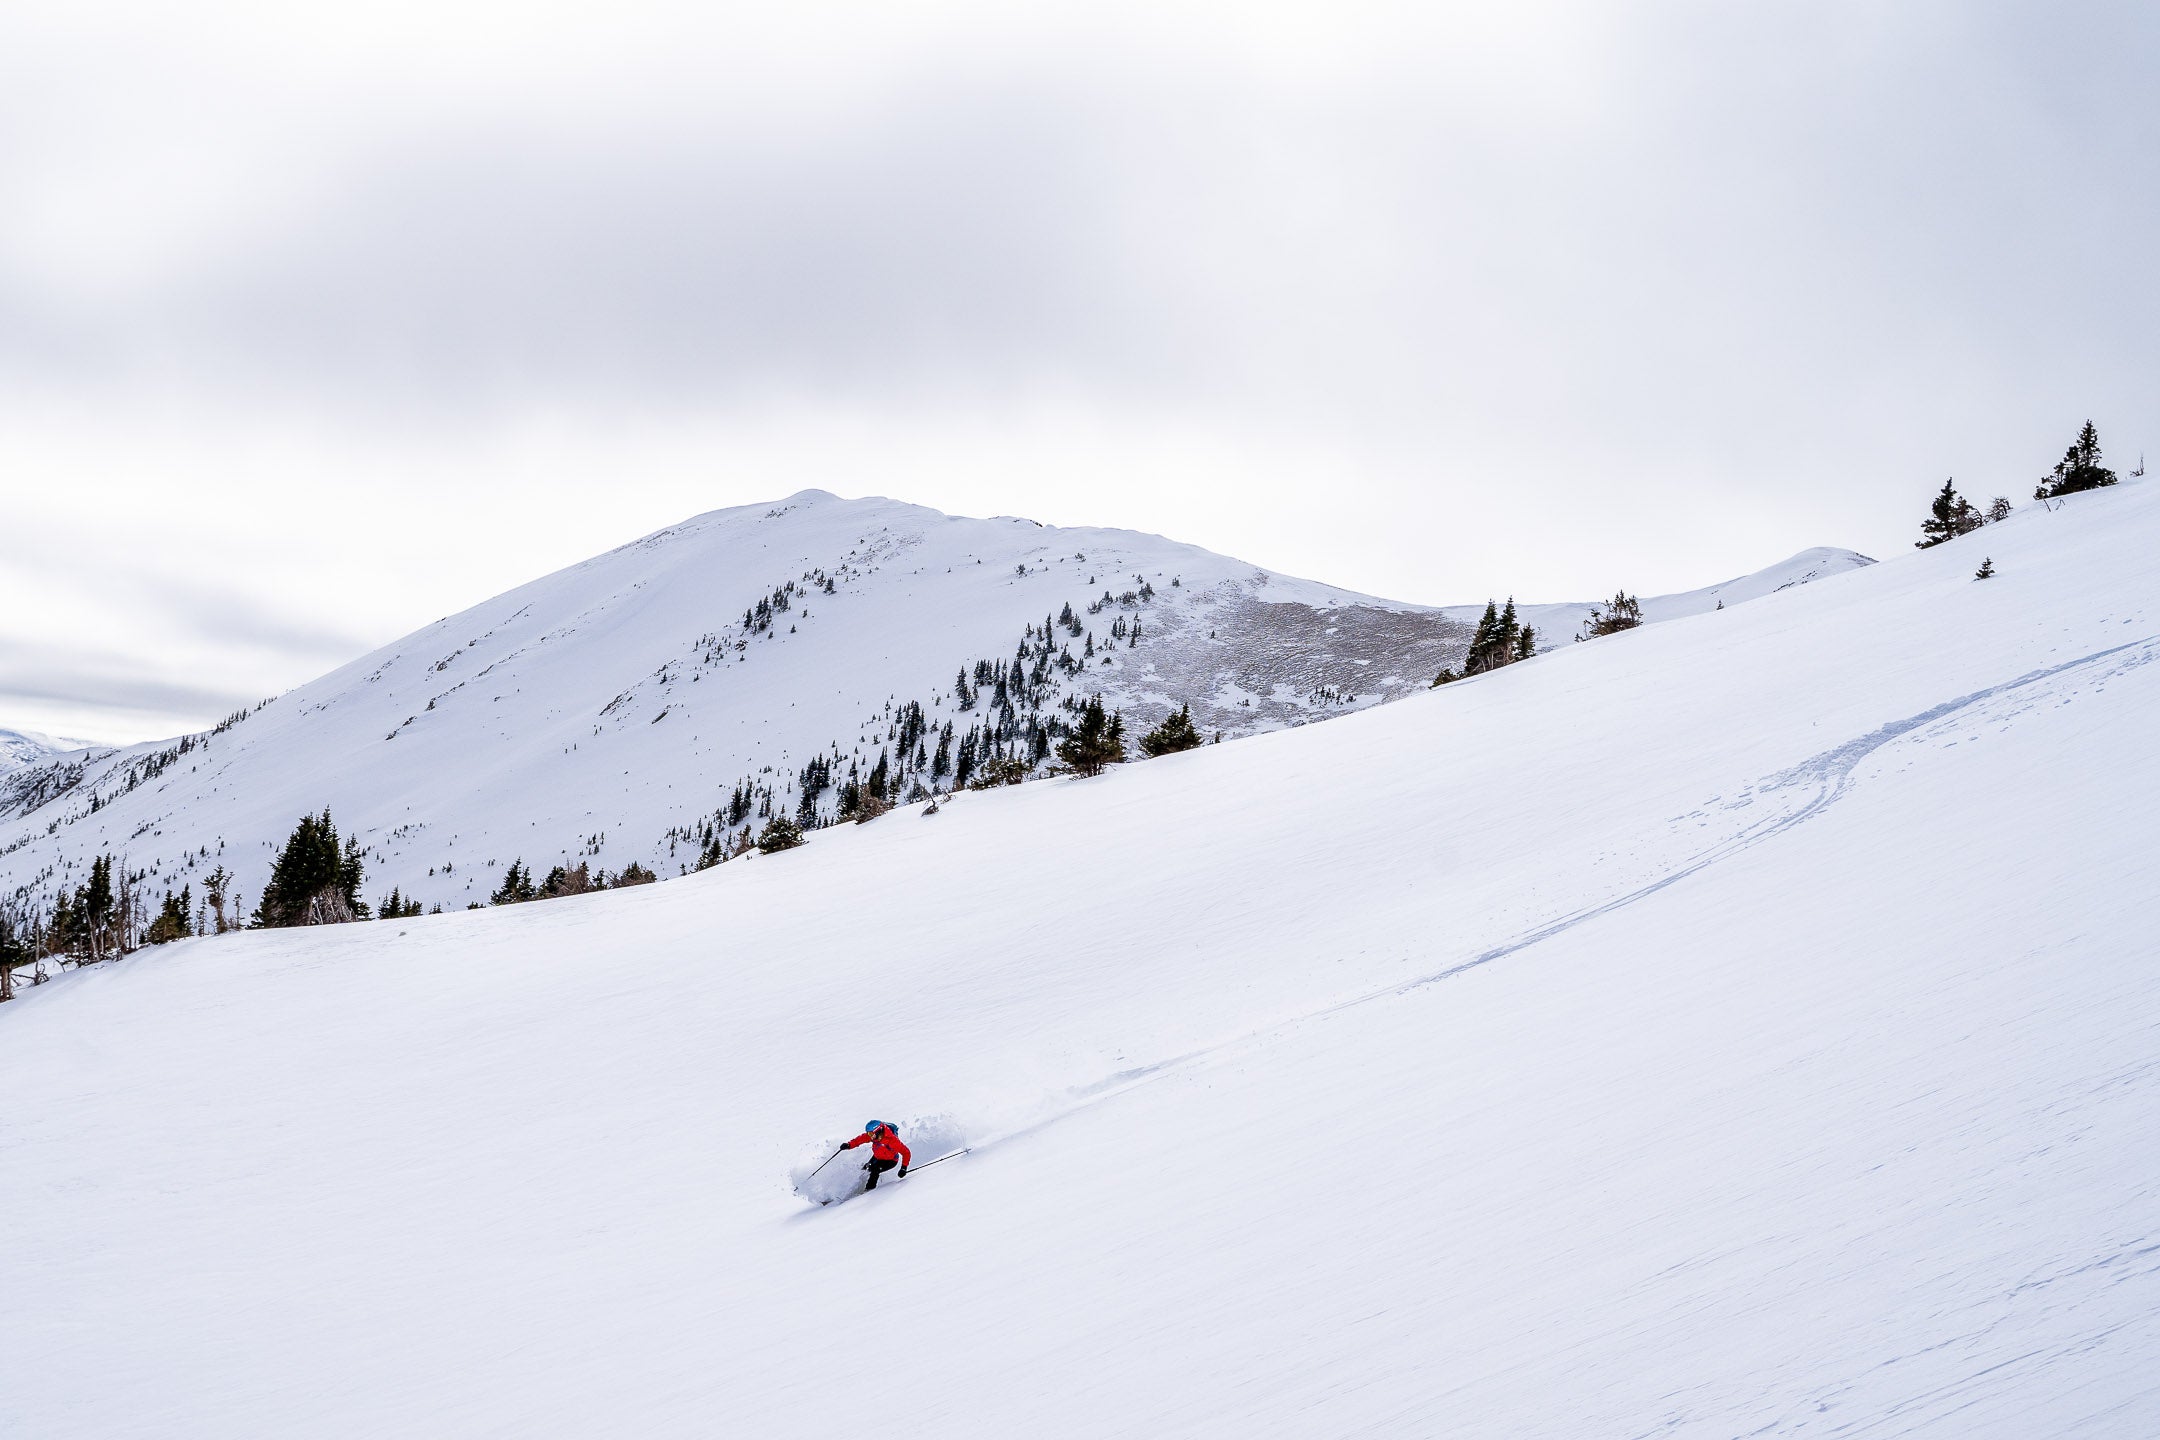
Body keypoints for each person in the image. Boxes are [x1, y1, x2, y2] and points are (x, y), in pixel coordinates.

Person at [843, 1120, 911, 1189]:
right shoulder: (875, 1136)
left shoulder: (892, 1141)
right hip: (877, 1157)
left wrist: (903, 1168)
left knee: (875, 1170)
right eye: (869, 1134)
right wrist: (849, 1145)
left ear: (878, 1131)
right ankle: (857, 1187)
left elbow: (906, 1152)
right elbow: (860, 1139)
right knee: (865, 1169)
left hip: (890, 1161)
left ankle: (869, 1191)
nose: (870, 1136)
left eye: (871, 1134)